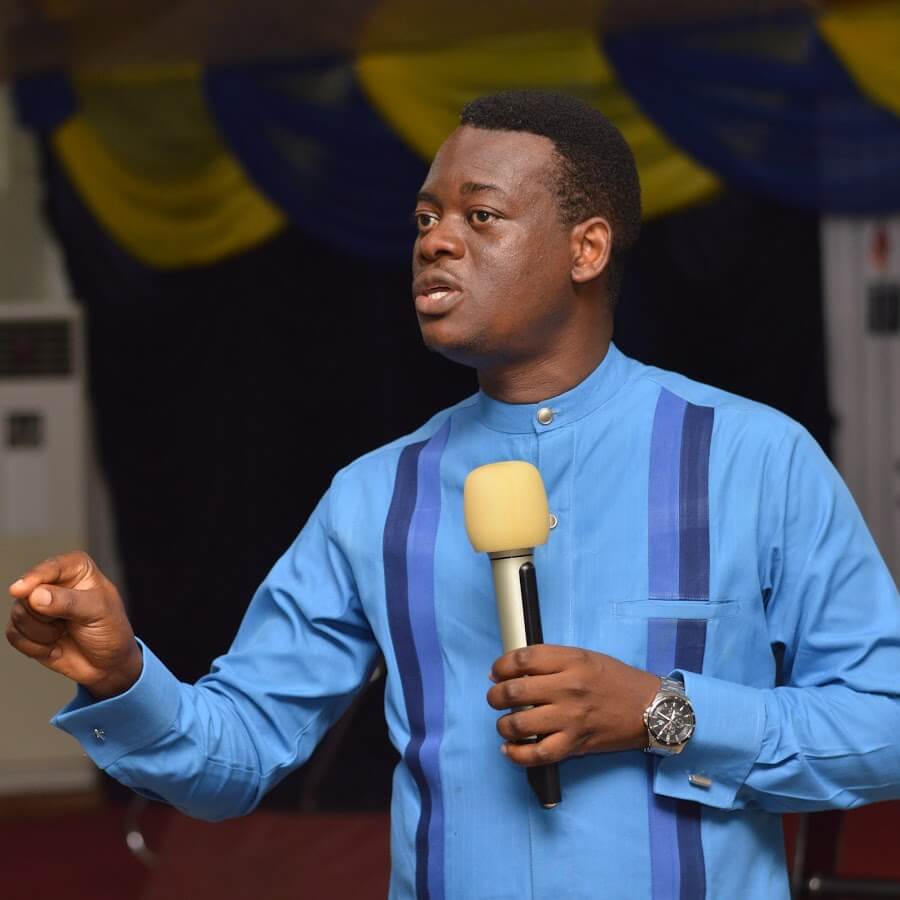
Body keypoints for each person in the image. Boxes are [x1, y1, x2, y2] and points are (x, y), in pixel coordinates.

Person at [6, 90, 900, 899]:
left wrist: (661, 712)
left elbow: (885, 726)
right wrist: (123, 677)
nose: (435, 240)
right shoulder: (375, 495)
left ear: (587, 248)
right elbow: (232, 760)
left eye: (481, 215)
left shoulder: (752, 457)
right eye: (427, 217)